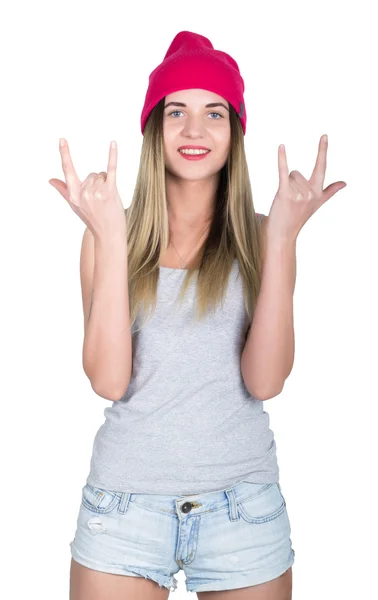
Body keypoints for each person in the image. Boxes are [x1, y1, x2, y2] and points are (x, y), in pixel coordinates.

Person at [50, 28, 344, 600]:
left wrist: (281, 239)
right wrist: (111, 238)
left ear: (234, 133)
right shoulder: (108, 235)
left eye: (214, 113)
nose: (193, 130)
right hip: (124, 507)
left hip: (244, 509)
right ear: (153, 127)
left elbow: (266, 380)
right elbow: (109, 380)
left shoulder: (264, 238)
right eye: (176, 111)